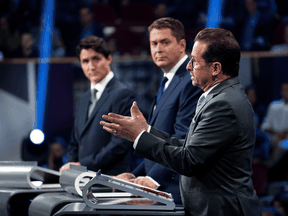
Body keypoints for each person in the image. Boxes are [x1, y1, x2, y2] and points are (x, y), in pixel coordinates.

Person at [101, 28, 261, 215]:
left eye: (194, 61)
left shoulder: (223, 104)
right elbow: (188, 147)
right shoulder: (218, 97)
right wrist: (147, 131)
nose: (188, 66)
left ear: (216, 68)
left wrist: (139, 137)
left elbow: (188, 160)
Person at [114, 17, 202, 204]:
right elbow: (157, 145)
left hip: (177, 191)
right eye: (154, 43)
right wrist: (133, 176)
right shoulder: (166, 81)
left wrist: (152, 180)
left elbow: (183, 141)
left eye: (165, 42)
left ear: (182, 45)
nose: (158, 48)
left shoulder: (190, 81)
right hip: (162, 189)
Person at [60, 35, 135, 175]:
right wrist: (71, 167)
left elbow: (119, 144)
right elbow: (75, 141)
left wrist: (82, 165)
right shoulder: (83, 98)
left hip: (111, 180)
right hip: (81, 179)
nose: (91, 66)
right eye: (85, 61)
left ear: (109, 58)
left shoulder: (122, 94)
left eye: (96, 59)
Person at [261, 81, 288, 181]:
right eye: (284, 90)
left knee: (283, 145)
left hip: (286, 139)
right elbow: (265, 125)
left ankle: (268, 165)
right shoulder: (274, 105)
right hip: (273, 136)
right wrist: (276, 133)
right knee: (265, 140)